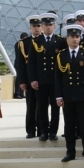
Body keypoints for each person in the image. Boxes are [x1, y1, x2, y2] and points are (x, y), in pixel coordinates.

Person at [55, 24, 84, 162]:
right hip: (68, 95)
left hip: (83, 95)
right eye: (72, 36)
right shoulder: (61, 55)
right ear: (67, 38)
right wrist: (58, 96)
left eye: (77, 36)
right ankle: (70, 152)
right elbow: (58, 77)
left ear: (81, 38)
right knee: (69, 126)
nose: (75, 39)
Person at [27, 12, 64, 141]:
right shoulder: (36, 42)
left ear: (54, 25)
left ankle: (53, 131)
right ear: (42, 26)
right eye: (45, 25)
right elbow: (31, 62)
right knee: (41, 108)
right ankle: (43, 132)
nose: (48, 27)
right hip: (41, 81)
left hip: (55, 81)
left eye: (50, 24)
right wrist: (33, 79)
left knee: (55, 108)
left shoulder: (60, 41)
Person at [15, 14, 42, 138]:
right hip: (29, 79)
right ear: (30, 28)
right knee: (31, 106)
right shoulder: (23, 43)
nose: (36, 28)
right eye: (34, 26)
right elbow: (20, 64)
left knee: (42, 106)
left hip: (43, 79)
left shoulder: (45, 41)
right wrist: (22, 81)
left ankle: (42, 130)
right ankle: (31, 130)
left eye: (38, 26)